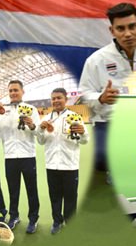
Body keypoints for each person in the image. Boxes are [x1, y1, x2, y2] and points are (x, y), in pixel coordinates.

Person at [79, 3, 136, 173]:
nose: (127, 34)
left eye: (132, 26)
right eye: (120, 29)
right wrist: (100, 98)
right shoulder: (96, 59)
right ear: (112, 31)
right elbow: (84, 94)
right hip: (111, 121)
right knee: (99, 157)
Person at [0, 80, 40, 234]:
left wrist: (32, 125)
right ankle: (14, 217)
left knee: (32, 190)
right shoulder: (3, 111)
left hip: (28, 156)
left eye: (16, 90)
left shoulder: (31, 109)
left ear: (22, 91)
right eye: (10, 90)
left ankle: (33, 219)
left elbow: (38, 132)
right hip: (10, 157)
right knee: (13, 190)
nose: (13, 93)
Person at [37, 88, 89, 234]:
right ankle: (56, 222)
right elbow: (40, 141)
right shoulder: (46, 119)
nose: (56, 101)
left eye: (59, 98)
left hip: (70, 165)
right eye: (53, 98)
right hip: (51, 165)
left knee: (71, 197)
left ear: (66, 99)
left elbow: (85, 140)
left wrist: (82, 132)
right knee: (55, 197)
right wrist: (40, 129)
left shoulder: (75, 117)